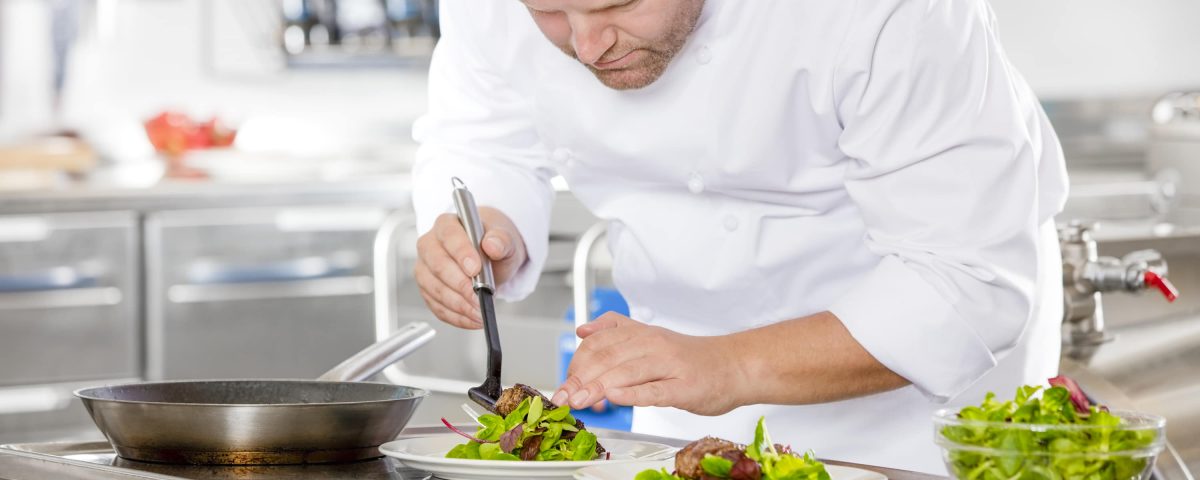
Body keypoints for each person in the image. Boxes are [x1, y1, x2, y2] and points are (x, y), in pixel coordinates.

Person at [411, 0, 1067, 473]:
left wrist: (727, 364)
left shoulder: (893, 12)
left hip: (917, 418)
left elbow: (963, 283)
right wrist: (490, 230)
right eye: (550, 13)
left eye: (620, 5)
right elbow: (483, 135)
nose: (586, 47)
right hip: (683, 405)